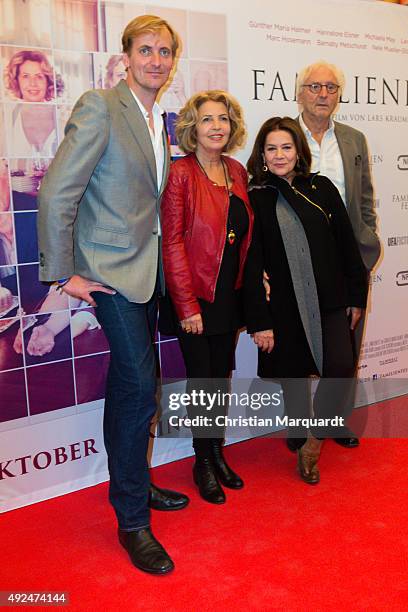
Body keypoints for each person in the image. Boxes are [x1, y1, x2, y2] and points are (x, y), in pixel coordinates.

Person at [37, 15, 189, 576]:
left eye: (165, 52)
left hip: (144, 273)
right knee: (139, 386)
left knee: (129, 388)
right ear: (126, 56)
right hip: (108, 274)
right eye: (145, 50)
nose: (156, 60)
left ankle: (136, 483)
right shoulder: (103, 106)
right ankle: (132, 521)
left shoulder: (157, 119)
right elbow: (57, 191)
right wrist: (61, 274)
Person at [244, 116, 368, 485]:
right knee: (293, 374)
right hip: (284, 302)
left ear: (298, 151)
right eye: (271, 148)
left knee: (341, 367)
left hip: (330, 296)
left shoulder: (322, 187)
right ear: (262, 154)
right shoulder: (256, 197)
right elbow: (251, 262)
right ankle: (297, 431)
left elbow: (347, 244)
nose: (279, 155)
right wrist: (259, 317)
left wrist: (356, 295)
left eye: (286, 146)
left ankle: (312, 443)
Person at [161, 90, 253, 504]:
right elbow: (173, 244)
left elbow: (240, 236)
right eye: (207, 119)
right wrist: (187, 305)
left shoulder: (236, 170)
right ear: (191, 128)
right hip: (196, 296)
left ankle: (216, 451)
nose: (216, 126)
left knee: (220, 378)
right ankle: (202, 460)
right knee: (203, 382)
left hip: (228, 295)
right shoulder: (181, 173)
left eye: (223, 119)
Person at [295, 60, 381, 449]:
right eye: (315, 87)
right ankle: (298, 426)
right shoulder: (283, 135)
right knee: (297, 344)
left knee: (346, 347)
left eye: (330, 88)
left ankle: (333, 419)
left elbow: (363, 197)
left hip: (348, 259)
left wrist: (367, 239)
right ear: (300, 92)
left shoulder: (354, 139)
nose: (323, 95)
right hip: (299, 258)